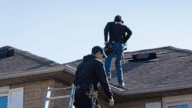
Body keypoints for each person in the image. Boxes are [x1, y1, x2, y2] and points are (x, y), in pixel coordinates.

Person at [104, 15, 132, 88]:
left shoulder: (110, 24)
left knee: (108, 59)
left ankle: (107, 74)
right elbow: (130, 32)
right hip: (120, 46)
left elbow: (105, 29)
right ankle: (121, 82)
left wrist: (106, 40)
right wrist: (124, 40)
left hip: (112, 44)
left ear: (115, 20)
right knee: (118, 64)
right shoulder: (123, 26)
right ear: (120, 21)